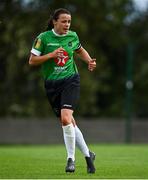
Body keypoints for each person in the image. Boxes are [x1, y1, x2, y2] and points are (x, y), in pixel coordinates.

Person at [29, 8, 96, 173]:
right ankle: (88, 155)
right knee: (69, 122)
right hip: (52, 85)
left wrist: (89, 61)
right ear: (55, 21)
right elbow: (32, 61)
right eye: (64, 21)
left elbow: (80, 50)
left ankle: (70, 160)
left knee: (66, 118)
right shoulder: (43, 38)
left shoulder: (72, 36)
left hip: (70, 80)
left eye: (69, 22)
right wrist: (50, 55)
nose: (67, 25)